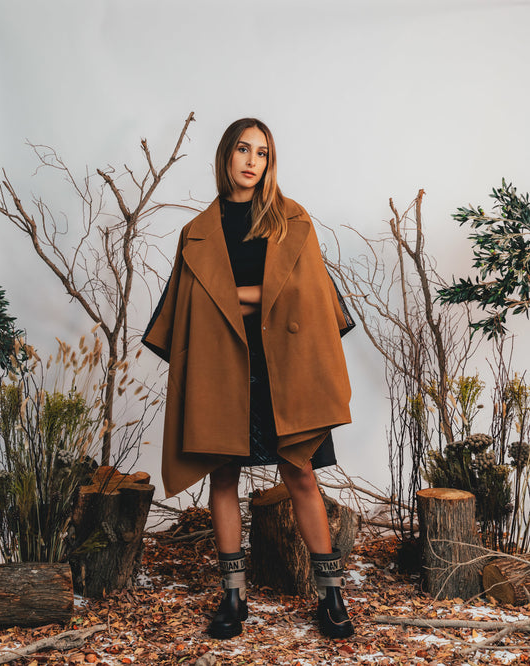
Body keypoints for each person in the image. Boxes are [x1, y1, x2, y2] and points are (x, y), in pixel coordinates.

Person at [142, 118, 355, 640]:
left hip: (284, 365)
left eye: (262, 153)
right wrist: (252, 297)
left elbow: (309, 296)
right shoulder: (198, 231)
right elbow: (187, 306)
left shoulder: (291, 220)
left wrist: (238, 298)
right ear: (226, 156)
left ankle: (331, 596)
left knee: (300, 474)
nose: (252, 161)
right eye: (243, 149)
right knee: (223, 476)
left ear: (269, 163)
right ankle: (233, 597)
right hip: (223, 365)